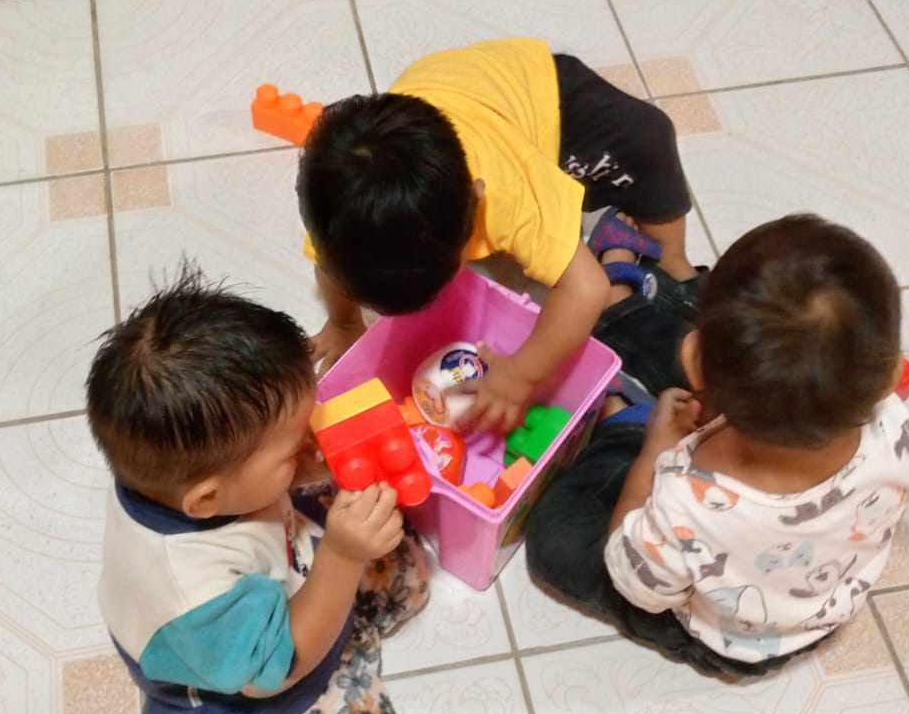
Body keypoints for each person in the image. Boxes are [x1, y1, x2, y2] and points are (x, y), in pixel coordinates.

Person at [71, 265, 430, 714]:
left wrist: (295, 468)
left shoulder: (177, 477)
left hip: (263, 576)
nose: (311, 440)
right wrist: (340, 558)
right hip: (233, 674)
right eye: (292, 447)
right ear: (208, 499)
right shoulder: (199, 595)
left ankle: (340, 610)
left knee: (406, 566)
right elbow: (278, 670)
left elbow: (257, 487)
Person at [524, 215, 909, 675]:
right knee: (766, 354)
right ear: (889, 377)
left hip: (731, 642)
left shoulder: (686, 503)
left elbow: (635, 580)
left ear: (693, 362)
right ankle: (623, 307)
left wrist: (654, 450)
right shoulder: (893, 424)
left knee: (555, 539)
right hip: (823, 606)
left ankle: (620, 422)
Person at [297, 37, 703, 433]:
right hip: (450, 97)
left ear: (477, 199)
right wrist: (343, 324)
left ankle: (675, 263)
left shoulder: (508, 194)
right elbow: (329, 269)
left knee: (648, 136)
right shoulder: (339, 212)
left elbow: (587, 288)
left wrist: (522, 375)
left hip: (545, 95)